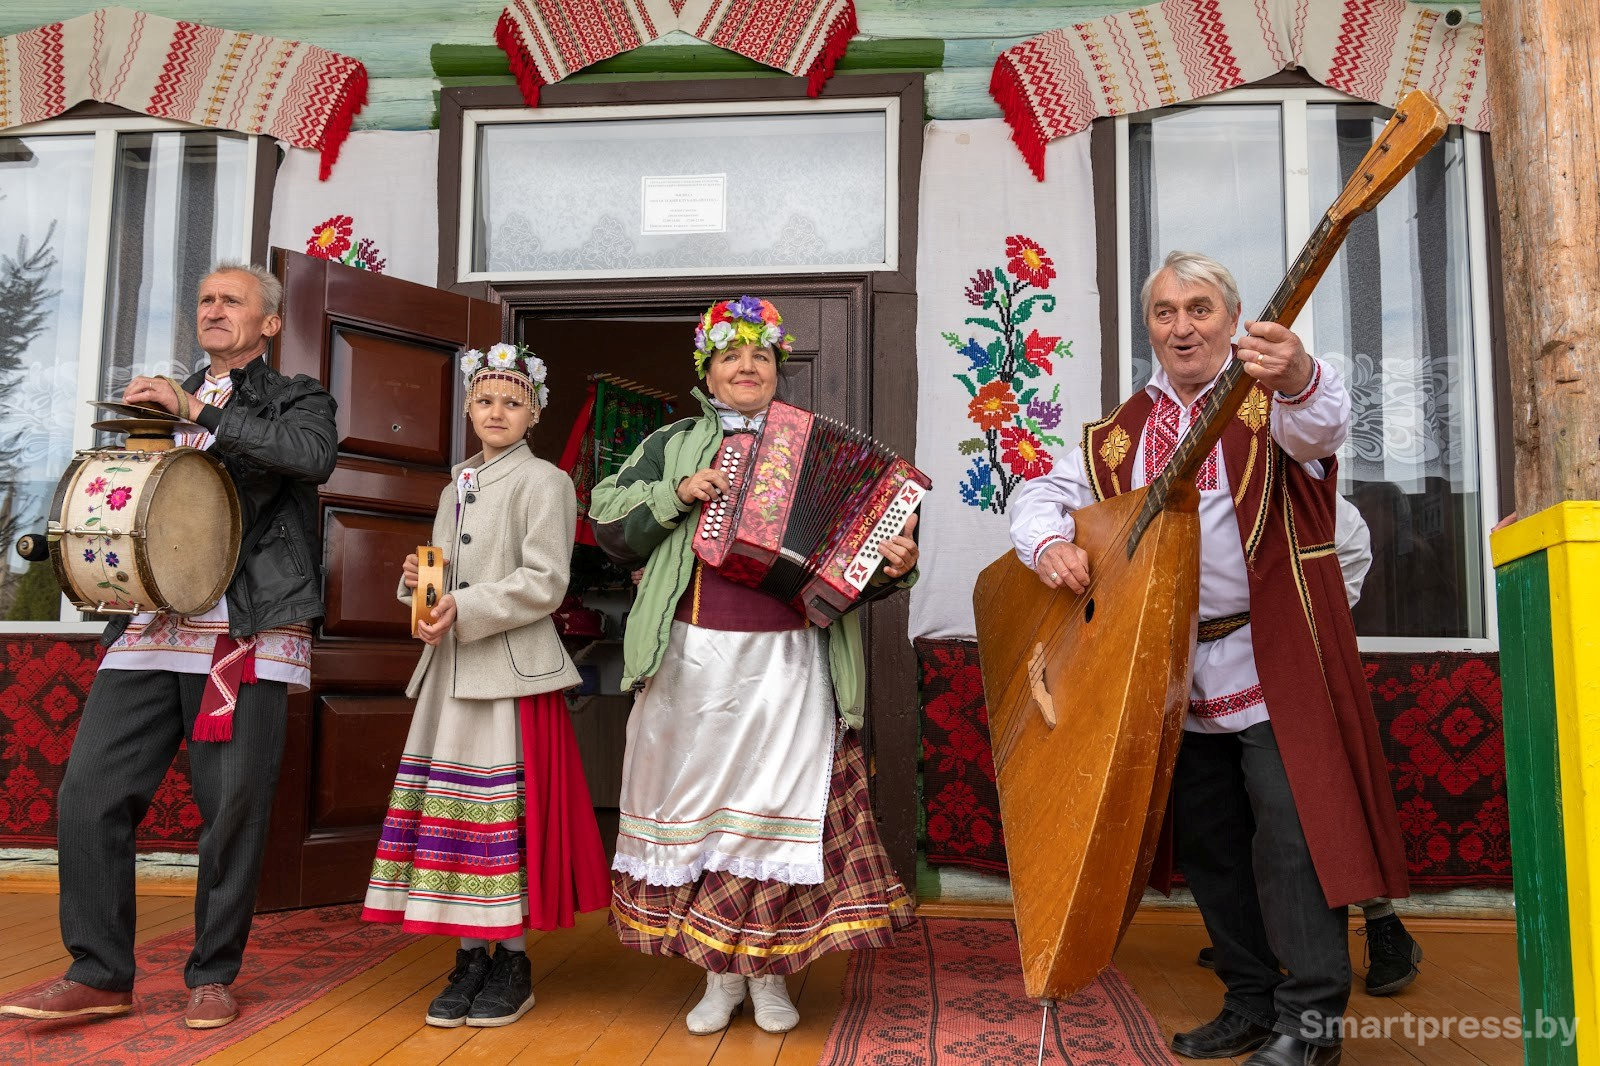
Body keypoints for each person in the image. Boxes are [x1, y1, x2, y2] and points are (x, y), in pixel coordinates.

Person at [1009, 252, 1409, 1066]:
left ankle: (1313, 1022)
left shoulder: (1268, 404)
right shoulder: (1122, 433)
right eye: (1164, 312)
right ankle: (1250, 1001)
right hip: (1168, 671)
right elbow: (1040, 490)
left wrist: (1296, 369)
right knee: (1212, 847)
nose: (1182, 326)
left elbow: (1321, 421)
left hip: (1273, 663)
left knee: (1291, 845)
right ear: (1149, 327)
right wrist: (1048, 542)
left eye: (1199, 309)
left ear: (1230, 320)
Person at [0, 264, 337, 1030]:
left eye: (231, 300)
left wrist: (197, 409)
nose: (213, 311)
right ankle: (99, 972)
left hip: (241, 628)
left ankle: (212, 974)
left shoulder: (297, 397)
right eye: (205, 301)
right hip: (149, 624)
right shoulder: (152, 403)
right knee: (89, 795)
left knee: (232, 807)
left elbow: (309, 457)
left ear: (270, 324)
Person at [588, 296, 919, 1036]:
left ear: (776, 368)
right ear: (707, 370)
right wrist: (678, 492)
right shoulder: (672, 441)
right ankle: (717, 979)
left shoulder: (817, 448)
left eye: (760, 356)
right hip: (689, 658)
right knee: (703, 819)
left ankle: (771, 978)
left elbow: (857, 564)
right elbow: (608, 520)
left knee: (774, 820)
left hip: (791, 660)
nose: (746, 366)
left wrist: (895, 564)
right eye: (731, 356)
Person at [361, 343, 609, 1028]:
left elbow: (545, 581)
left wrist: (465, 606)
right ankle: (471, 955)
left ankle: (513, 959)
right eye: (486, 399)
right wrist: (418, 584)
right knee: (459, 822)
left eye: (513, 401)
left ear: (534, 414)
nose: (497, 411)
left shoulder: (545, 484)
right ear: (468, 408)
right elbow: (446, 571)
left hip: (506, 675)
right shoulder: (456, 485)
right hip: (451, 674)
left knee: (497, 822)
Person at [1193, 495, 1423, 997]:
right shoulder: (1205, 494)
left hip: (1295, 664)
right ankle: (1258, 940)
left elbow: (1342, 578)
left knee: (1317, 810)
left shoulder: (1323, 508)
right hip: (1209, 674)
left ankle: (1384, 927)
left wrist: (1295, 628)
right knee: (1242, 812)